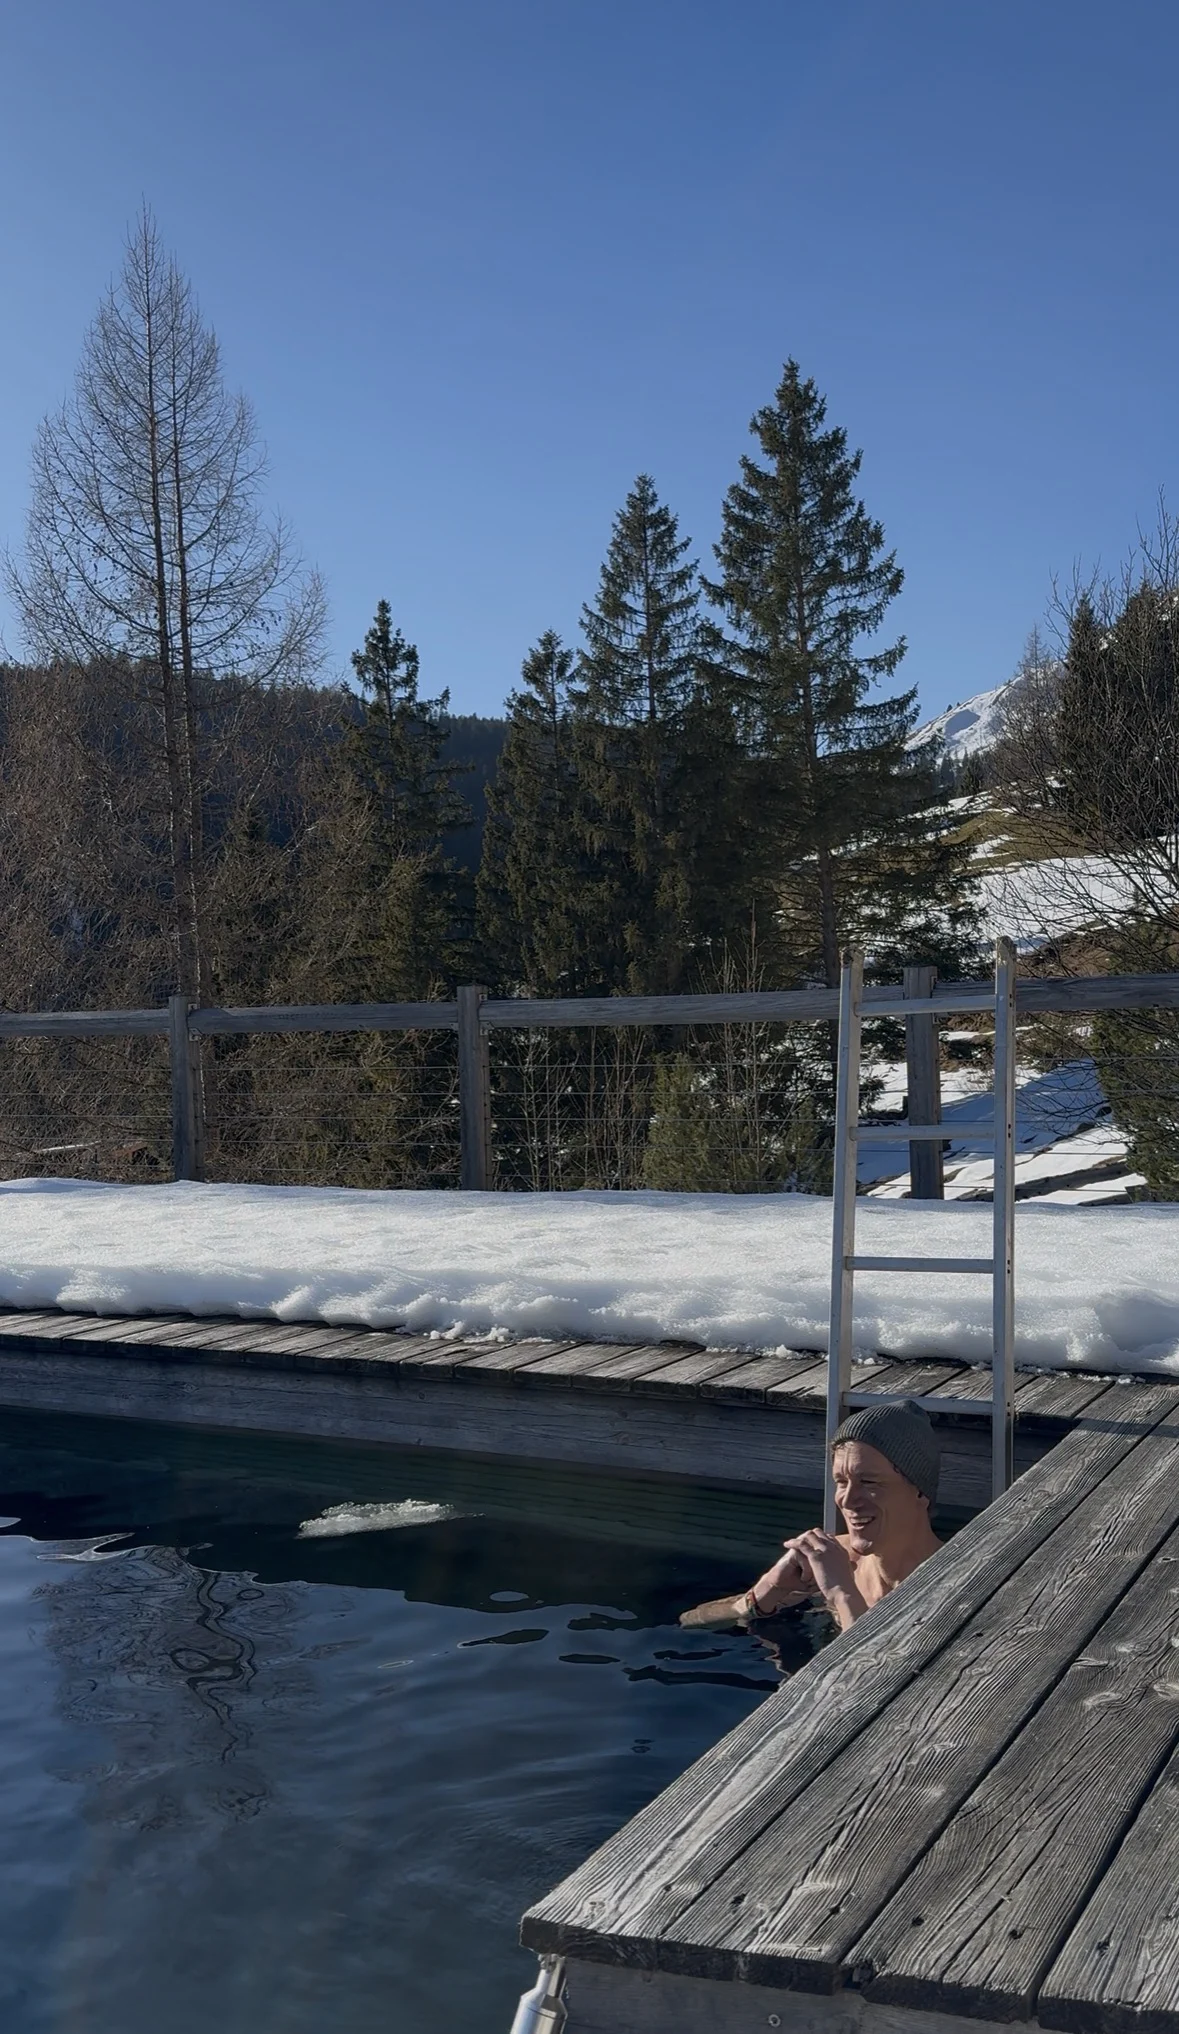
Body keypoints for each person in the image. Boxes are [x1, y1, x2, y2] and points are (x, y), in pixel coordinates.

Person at [681, 1399, 942, 1636]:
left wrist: (842, 1594)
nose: (848, 1500)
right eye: (841, 1481)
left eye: (870, 1482)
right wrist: (769, 1589)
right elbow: (691, 1622)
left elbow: (873, 1679)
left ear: (919, 1491)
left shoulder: (948, 1581)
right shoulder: (836, 1560)